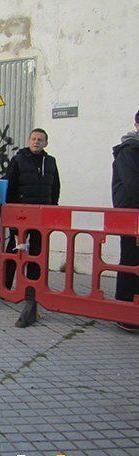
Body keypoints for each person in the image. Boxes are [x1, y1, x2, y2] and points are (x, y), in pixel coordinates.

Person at [3, 128, 61, 288]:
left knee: (38, 250)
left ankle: (32, 287)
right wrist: (9, 212)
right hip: (21, 214)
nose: (36, 142)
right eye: (34, 139)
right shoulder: (18, 160)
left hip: (42, 215)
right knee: (14, 248)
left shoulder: (50, 161)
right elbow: (10, 187)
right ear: (29, 141)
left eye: (40, 139)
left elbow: (55, 187)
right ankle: (5, 285)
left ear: (46, 143)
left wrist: (53, 209)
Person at [111, 110, 139, 333]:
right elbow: (133, 186)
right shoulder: (129, 151)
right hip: (131, 216)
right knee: (130, 261)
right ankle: (124, 313)